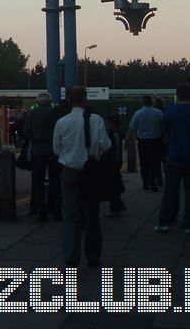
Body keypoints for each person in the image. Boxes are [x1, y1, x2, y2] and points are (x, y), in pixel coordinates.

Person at [53, 86, 111, 268]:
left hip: (70, 171)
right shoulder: (96, 120)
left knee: (70, 217)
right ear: (86, 99)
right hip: (91, 172)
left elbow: (56, 150)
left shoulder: (62, 122)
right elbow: (106, 145)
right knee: (93, 216)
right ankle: (93, 257)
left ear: (69, 99)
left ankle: (71, 258)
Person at [154, 83, 190, 234]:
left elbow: (165, 135)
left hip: (175, 156)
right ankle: (188, 225)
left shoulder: (170, 111)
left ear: (178, 95)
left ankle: (164, 222)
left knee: (170, 191)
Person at [24, 92, 61, 221]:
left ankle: (41, 211)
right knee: (55, 181)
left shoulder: (32, 113)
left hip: (37, 151)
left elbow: (26, 132)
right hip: (53, 151)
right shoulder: (54, 113)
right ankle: (56, 210)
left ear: (37, 102)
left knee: (38, 182)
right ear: (50, 101)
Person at [126, 95, 164, 192]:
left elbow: (132, 128)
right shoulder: (158, 113)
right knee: (154, 162)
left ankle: (145, 182)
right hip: (156, 141)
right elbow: (164, 127)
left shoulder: (138, 113)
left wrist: (126, 140)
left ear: (142, 102)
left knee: (144, 163)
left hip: (143, 141)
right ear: (151, 101)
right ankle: (152, 181)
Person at [105, 114, 127, 216]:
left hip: (111, 164)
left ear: (113, 124)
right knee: (115, 185)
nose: (106, 125)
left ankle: (115, 207)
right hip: (116, 164)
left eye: (108, 123)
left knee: (112, 187)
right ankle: (118, 204)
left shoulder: (111, 135)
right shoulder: (118, 134)